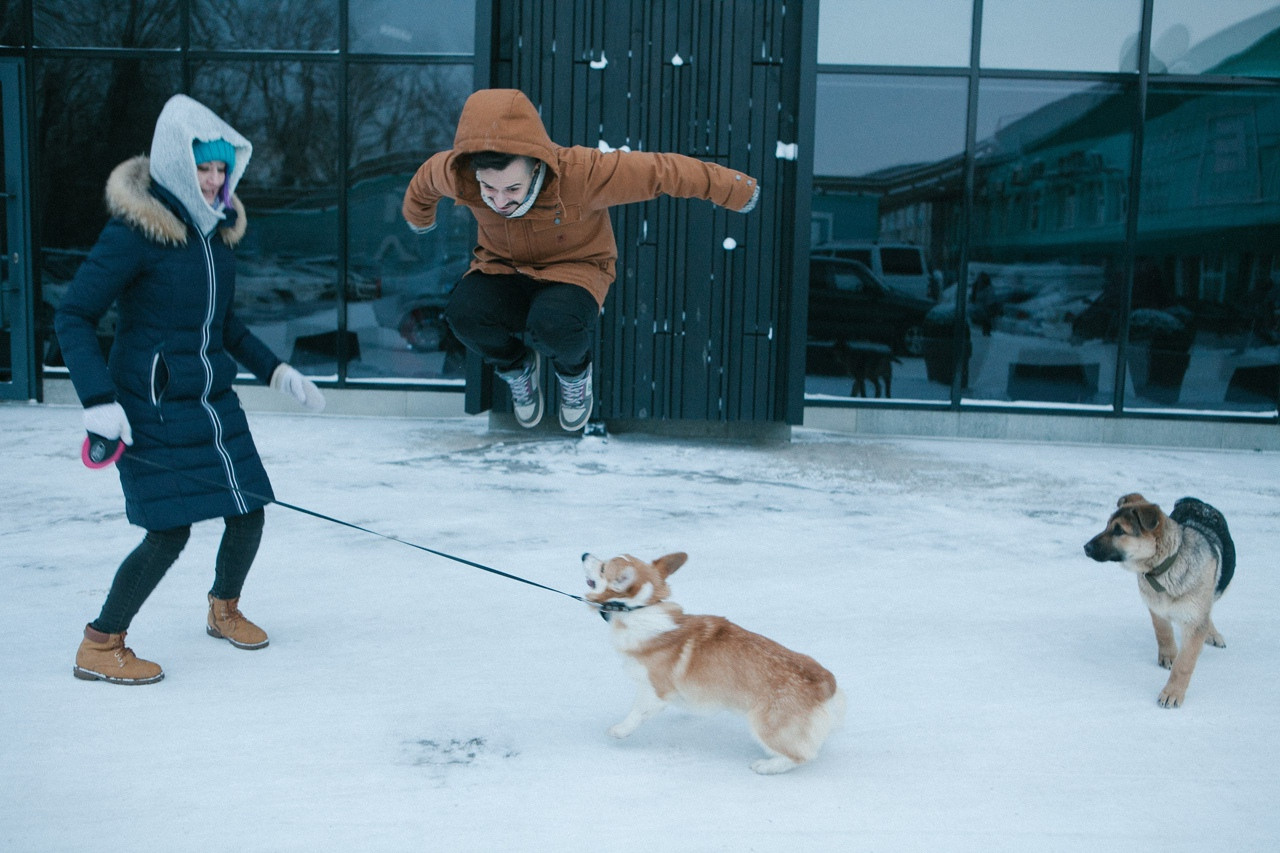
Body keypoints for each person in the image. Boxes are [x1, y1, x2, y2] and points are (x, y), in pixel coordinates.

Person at [54, 94, 326, 685]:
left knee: (249, 509)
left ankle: (223, 608)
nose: (214, 180)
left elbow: (224, 327)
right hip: (149, 407)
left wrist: (277, 371)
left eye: (222, 168)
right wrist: (99, 401)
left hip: (211, 403)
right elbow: (73, 315)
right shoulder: (136, 231)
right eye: (203, 167)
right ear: (176, 163)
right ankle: (100, 644)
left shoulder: (214, 235)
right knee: (168, 531)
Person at [401, 88, 760, 431]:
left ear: (535, 166)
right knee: (462, 315)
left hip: (575, 270)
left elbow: (661, 171)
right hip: (503, 267)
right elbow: (423, 184)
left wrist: (734, 188)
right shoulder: (456, 173)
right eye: (488, 188)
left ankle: (574, 376)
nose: (499, 201)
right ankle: (517, 368)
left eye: (512, 188)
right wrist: (419, 219)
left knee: (553, 326)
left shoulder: (582, 173)